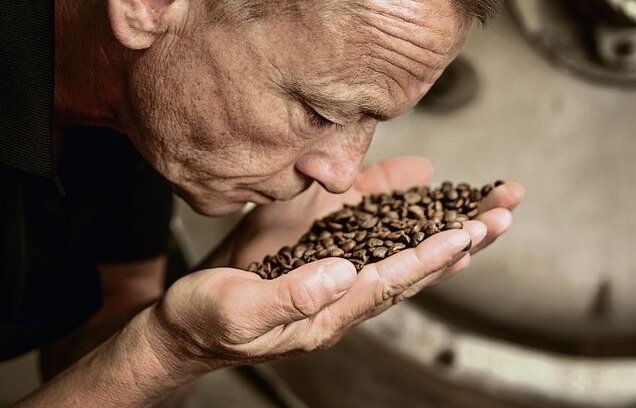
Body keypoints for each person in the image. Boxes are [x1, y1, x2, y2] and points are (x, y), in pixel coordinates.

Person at [0, 0, 524, 406]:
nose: (340, 178)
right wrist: (167, 353)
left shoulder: (145, 105)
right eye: (321, 112)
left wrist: (223, 283)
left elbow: (87, 349)